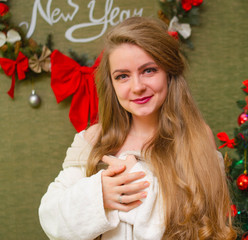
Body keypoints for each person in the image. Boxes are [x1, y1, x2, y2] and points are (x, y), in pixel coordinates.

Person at [39, 16, 237, 240]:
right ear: (111, 84)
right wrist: (98, 195)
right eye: (122, 76)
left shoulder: (197, 137)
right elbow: (51, 218)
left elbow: (209, 224)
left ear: (169, 73)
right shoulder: (94, 139)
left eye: (149, 70)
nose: (137, 87)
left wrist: (135, 178)